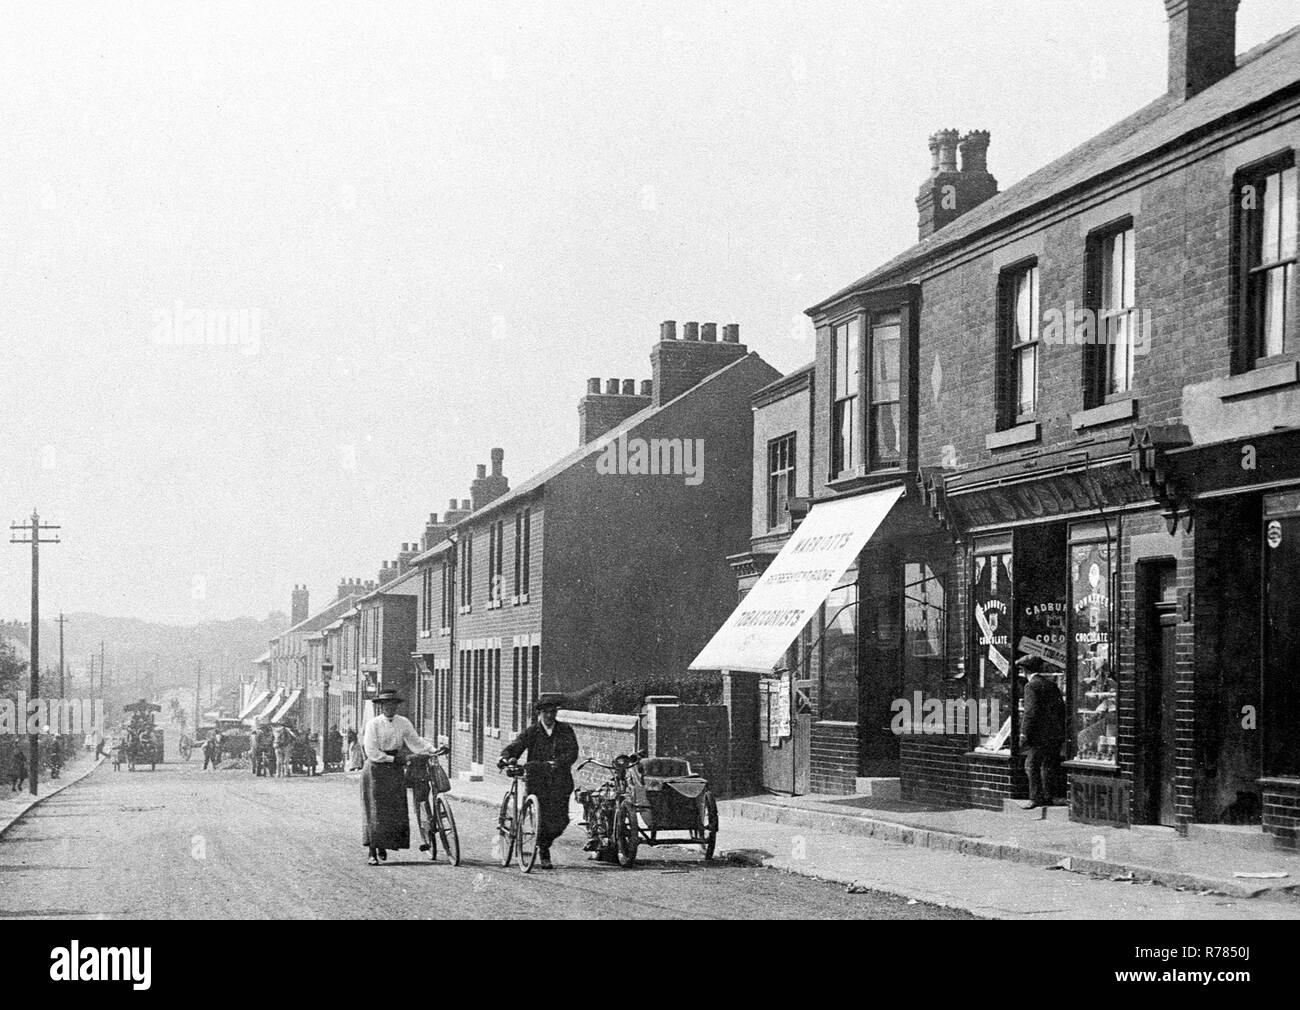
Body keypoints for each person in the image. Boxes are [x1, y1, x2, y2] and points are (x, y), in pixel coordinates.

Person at [498, 695, 579, 870]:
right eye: (545, 712)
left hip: (560, 780)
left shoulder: (565, 730)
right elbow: (517, 746)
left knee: (561, 821)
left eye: (552, 712)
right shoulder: (532, 731)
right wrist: (505, 756)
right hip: (537, 780)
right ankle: (544, 851)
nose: (549, 716)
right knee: (541, 817)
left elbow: (573, 752)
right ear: (540, 714)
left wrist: (558, 763)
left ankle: (543, 843)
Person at [360, 689, 438, 865]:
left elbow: (415, 741)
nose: (389, 708)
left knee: (394, 809)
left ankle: (384, 844)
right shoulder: (373, 724)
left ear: (396, 706)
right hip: (375, 769)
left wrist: (433, 750)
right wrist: (393, 759)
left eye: (392, 705)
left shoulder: (403, 722)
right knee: (376, 809)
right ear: (381, 706)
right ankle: (372, 850)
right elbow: (371, 751)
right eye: (386, 705)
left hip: (394, 770)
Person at [1018, 655, 1067, 809]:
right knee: (1047, 765)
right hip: (1054, 733)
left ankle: (1034, 798)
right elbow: (1061, 708)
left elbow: (1030, 712)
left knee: (1030, 764)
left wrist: (1024, 733)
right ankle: (1047, 796)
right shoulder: (1051, 684)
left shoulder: (1031, 686)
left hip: (1039, 735)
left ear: (1024, 669)